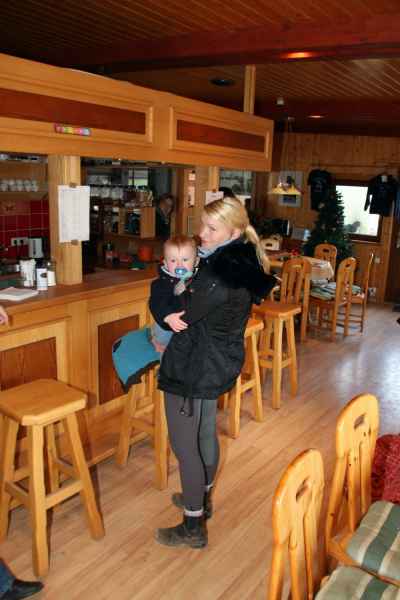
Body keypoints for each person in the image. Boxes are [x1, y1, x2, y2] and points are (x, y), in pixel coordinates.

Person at [150, 196, 276, 549]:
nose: (201, 234)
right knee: (205, 433)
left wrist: (163, 300)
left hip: (194, 365)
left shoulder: (216, 275)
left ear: (233, 232)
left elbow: (182, 317)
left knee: (185, 448)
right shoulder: (242, 260)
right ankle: (201, 500)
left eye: (211, 228)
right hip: (219, 360)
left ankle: (192, 525)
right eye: (202, 225)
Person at [149, 235, 199, 353]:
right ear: (165, 263)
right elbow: (156, 303)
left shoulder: (198, 280)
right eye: (173, 261)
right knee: (165, 346)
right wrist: (167, 316)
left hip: (187, 327)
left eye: (185, 260)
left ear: (196, 261)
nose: (179, 266)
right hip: (167, 326)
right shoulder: (161, 283)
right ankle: (157, 341)